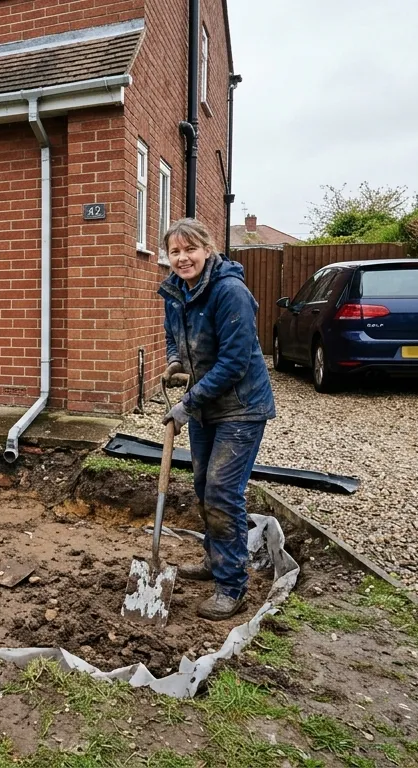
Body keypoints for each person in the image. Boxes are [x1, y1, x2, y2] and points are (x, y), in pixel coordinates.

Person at [158, 218, 276, 620]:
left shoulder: (229, 292)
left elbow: (234, 362)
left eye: (190, 249)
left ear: (207, 249)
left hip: (241, 407)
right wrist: (175, 359)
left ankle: (231, 585)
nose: (182, 258)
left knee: (223, 491)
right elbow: (173, 333)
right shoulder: (175, 290)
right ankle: (215, 560)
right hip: (206, 405)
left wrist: (187, 403)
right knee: (203, 485)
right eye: (175, 251)